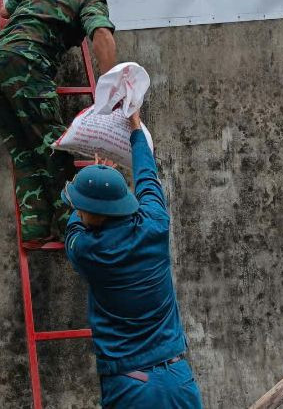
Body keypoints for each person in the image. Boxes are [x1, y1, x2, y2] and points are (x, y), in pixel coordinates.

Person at [0, 0, 118, 246]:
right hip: (26, 65)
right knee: (54, 149)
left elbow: (6, 10)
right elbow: (102, 34)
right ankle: (71, 227)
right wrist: (114, 87)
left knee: (23, 150)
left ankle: (35, 229)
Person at [63, 111, 203, 408]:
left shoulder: (88, 251)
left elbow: (74, 223)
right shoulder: (156, 223)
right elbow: (147, 177)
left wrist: (92, 183)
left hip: (131, 386)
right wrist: (135, 129)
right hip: (179, 378)